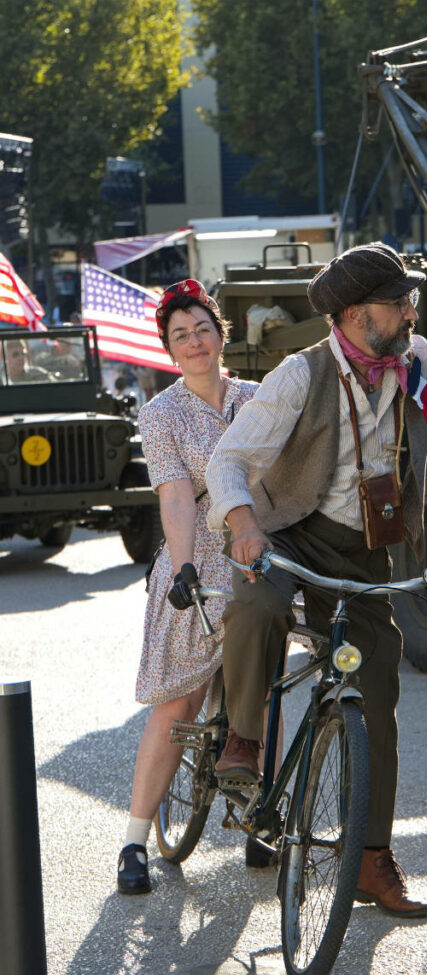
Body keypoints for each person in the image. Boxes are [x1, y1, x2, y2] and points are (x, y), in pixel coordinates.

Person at [205, 242, 427, 918]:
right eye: (397, 302)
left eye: (410, 301)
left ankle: (371, 861)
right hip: (288, 529)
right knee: (258, 607)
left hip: (361, 550)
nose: (411, 310)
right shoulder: (300, 375)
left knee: (377, 691)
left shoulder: (412, 360)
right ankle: (242, 738)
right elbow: (228, 460)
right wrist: (244, 526)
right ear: (354, 315)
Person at [117, 278, 258, 896]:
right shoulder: (160, 414)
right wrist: (183, 571)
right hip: (196, 561)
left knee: (270, 689)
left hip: (257, 555)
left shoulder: (260, 397)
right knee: (176, 705)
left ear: (220, 334)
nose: (195, 341)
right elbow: (175, 496)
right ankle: (134, 840)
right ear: (169, 351)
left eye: (203, 328)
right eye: (181, 336)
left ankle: (263, 817)